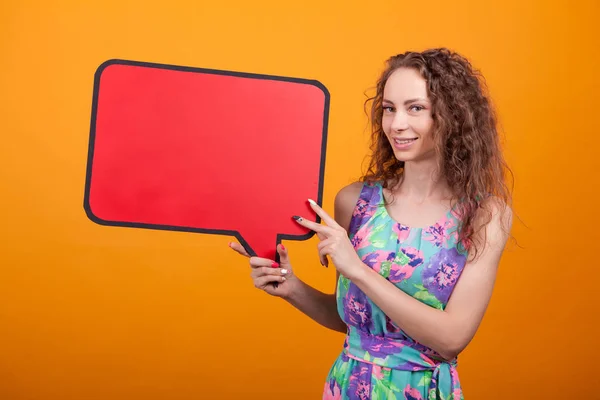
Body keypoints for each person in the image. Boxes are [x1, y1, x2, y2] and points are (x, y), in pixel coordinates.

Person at [229, 48, 513, 400]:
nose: (396, 124)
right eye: (389, 109)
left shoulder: (485, 215)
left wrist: (359, 270)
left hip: (422, 391)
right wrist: (290, 286)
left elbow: (451, 339)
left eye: (416, 108)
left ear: (454, 115)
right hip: (349, 386)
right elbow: (350, 319)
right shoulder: (355, 202)